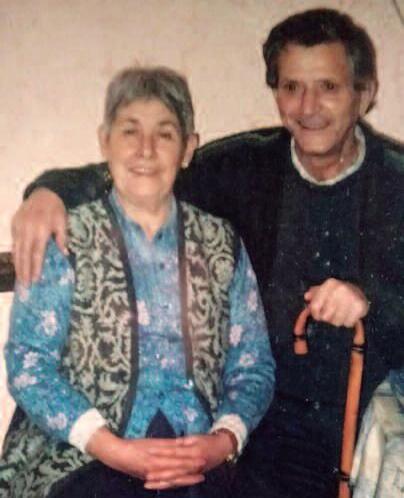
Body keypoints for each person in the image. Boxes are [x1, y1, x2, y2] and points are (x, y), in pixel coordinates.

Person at [9, 7, 404, 498]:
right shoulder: (247, 165)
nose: (308, 107)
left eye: (328, 87)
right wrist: (49, 190)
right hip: (243, 427)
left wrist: (372, 302)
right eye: (291, 87)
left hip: (332, 427)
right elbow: (147, 167)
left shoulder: (397, 184)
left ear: (364, 93)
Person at [0, 66, 275, 498]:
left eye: (164, 134)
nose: (146, 149)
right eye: (130, 131)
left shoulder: (222, 244)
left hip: (197, 457)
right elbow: (28, 362)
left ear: (188, 149)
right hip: (82, 456)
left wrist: (222, 441)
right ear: (104, 141)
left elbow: (253, 364)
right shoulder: (66, 239)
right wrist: (110, 448)